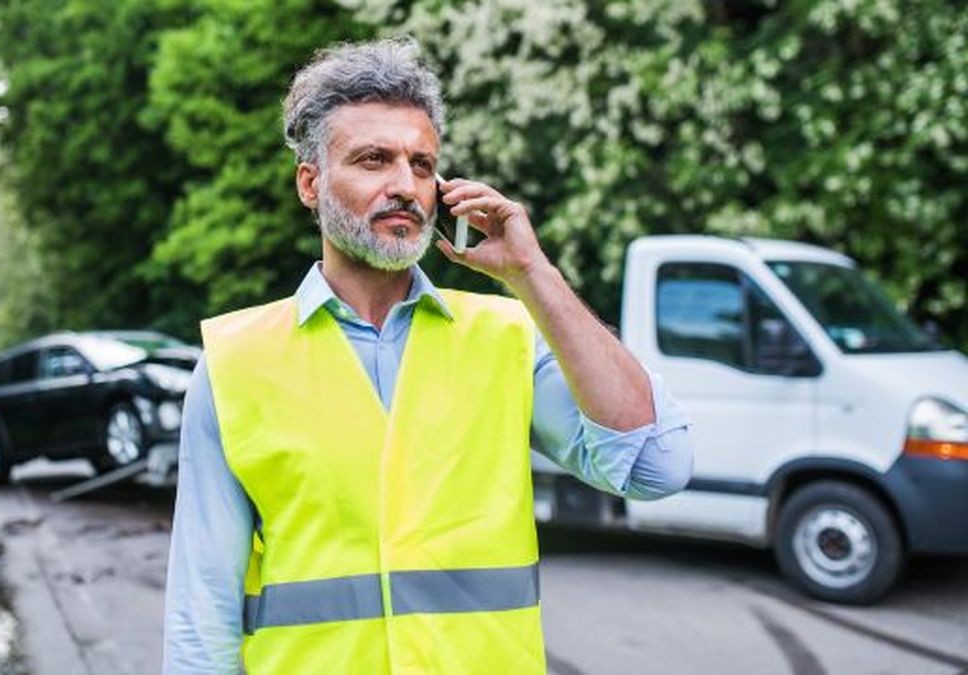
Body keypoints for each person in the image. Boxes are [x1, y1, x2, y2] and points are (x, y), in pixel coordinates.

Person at [162, 38, 693, 674]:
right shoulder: (235, 363)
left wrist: (531, 273)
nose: (404, 186)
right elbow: (201, 613)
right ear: (311, 183)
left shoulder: (507, 338)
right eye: (373, 160)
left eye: (421, 165)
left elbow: (657, 466)